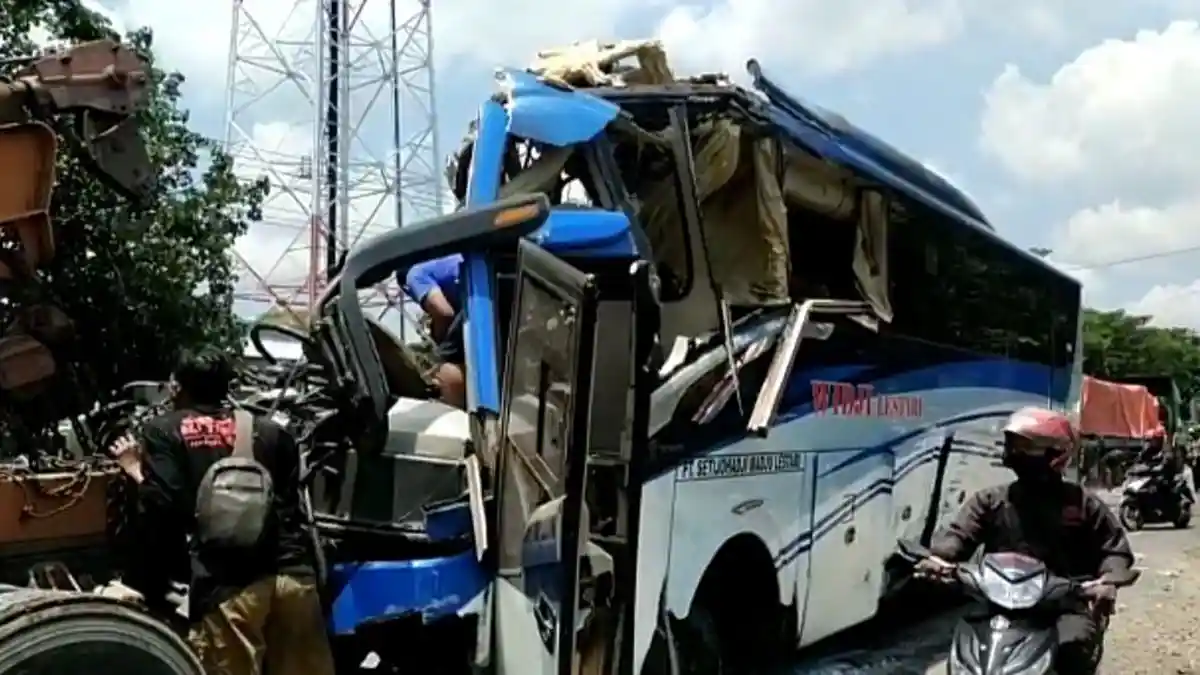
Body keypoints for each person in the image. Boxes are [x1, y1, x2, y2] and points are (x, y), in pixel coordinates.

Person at [110, 348, 334, 675]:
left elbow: (165, 504)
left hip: (229, 588)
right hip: (293, 578)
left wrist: (133, 469)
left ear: (178, 386)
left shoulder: (164, 430)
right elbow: (290, 502)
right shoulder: (271, 430)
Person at [916, 407, 1135, 675]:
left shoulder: (1083, 504)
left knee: (1073, 648)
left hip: (1061, 605)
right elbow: (959, 536)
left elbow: (1113, 548)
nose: (1015, 452)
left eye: (1026, 446)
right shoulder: (990, 500)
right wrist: (938, 558)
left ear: (1056, 453)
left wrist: (1108, 580)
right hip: (998, 603)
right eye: (1013, 445)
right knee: (963, 651)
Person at [404, 254, 466, 408]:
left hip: (476, 295)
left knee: (443, 365)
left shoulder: (414, 274)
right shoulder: (441, 263)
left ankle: (457, 415)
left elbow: (444, 312)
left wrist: (438, 340)